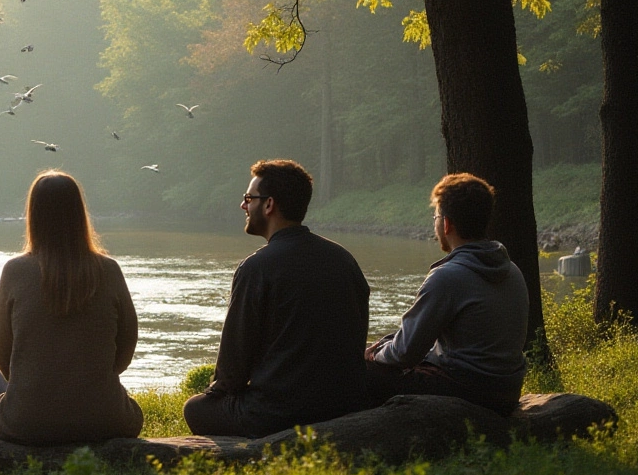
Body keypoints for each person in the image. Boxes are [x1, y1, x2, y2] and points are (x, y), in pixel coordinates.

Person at [184, 159, 369, 438]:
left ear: (269, 205)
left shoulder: (257, 267)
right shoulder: (344, 259)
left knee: (195, 408)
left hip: (277, 413)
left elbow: (231, 372)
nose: (243, 206)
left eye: (249, 198)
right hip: (343, 405)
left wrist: (215, 395)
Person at [0, 171, 143, 445]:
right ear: (80, 214)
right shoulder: (109, 269)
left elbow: (2, 354)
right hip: (107, 422)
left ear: (33, 215)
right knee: (125, 405)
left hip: (27, 426)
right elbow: (126, 346)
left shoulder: (15, 271)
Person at [365, 173, 528, 415]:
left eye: (436, 217)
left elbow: (404, 353)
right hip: (506, 389)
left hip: (469, 391)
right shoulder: (511, 269)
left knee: (360, 368)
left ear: (447, 224)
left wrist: (374, 354)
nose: (435, 223)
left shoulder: (449, 276)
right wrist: (385, 345)